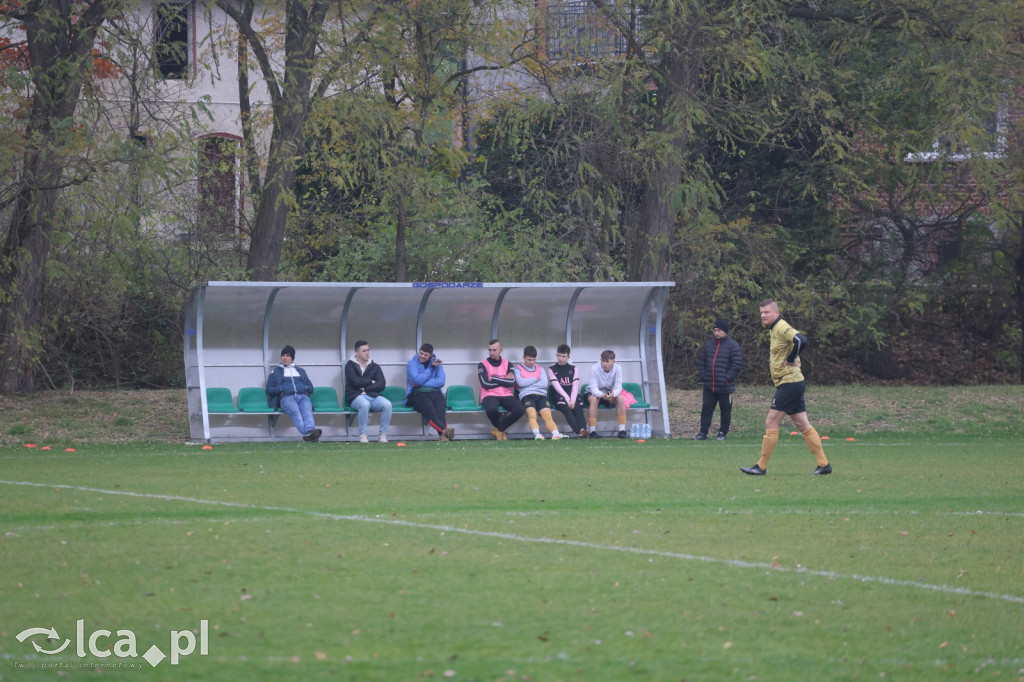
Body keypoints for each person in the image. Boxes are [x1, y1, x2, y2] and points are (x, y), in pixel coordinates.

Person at [740, 299, 832, 476]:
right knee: (802, 424)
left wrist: (791, 358)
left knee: (771, 422)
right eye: (761, 313)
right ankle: (824, 464)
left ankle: (761, 466)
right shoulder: (774, 329)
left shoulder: (781, 326)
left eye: (766, 312)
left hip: (789, 382)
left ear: (776, 312)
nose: (763, 316)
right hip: (793, 381)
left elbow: (801, 340)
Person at [694, 319, 743, 441]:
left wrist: (728, 378)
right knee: (706, 409)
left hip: (725, 386)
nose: (716, 333)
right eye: (715, 330)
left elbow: (736, 364)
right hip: (709, 386)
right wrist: (703, 376)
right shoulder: (709, 345)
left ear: (725, 331)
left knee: (725, 410)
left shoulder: (733, 345)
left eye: (719, 330)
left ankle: (722, 433)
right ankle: (703, 433)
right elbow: (702, 362)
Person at [265, 345, 322, 442]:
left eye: (287, 355)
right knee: (297, 414)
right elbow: (269, 389)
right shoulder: (275, 371)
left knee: (308, 413)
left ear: (292, 357)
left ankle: (309, 433)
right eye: (283, 355)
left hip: (303, 397)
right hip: (287, 398)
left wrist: (306, 388)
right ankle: (311, 435)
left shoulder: (301, 371)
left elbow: (311, 387)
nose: (285, 358)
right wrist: (281, 388)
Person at [344, 340, 392, 443]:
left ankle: (382, 435)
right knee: (364, 404)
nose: (367, 353)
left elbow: (381, 384)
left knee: (387, 405)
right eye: (364, 351)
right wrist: (371, 381)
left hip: (373, 396)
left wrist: (365, 388)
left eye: (368, 350)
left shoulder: (375, 366)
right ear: (357, 353)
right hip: (355, 396)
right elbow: (355, 382)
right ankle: (363, 435)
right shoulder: (349, 365)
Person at [405, 343, 454, 441]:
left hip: (435, 392)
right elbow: (416, 380)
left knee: (441, 412)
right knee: (431, 412)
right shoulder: (411, 364)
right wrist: (431, 368)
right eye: (421, 353)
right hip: (418, 394)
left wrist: (421, 383)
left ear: (430, 355)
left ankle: (443, 436)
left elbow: (441, 382)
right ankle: (445, 431)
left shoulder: (437, 363)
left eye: (425, 355)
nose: (422, 356)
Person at [478, 339, 526, 440]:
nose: (491, 352)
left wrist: (493, 379)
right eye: (489, 350)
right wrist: (504, 379)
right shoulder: (482, 364)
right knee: (491, 410)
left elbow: (512, 383)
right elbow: (485, 384)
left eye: (494, 350)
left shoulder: (508, 364)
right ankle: (501, 430)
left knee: (520, 409)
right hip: (489, 394)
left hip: (505, 394)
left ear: (501, 350)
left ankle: (499, 429)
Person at [514, 345, 563, 440]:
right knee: (532, 415)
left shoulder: (540, 369)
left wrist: (527, 383)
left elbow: (544, 384)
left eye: (533, 359)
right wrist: (536, 379)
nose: (532, 362)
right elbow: (520, 383)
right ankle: (537, 434)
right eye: (529, 359)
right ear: (524, 357)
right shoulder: (518, 369)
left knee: (547, 416)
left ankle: (555, 434)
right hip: (526, 395)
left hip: (541, 395)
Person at [547, 343, 588, 438]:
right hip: (558, 395)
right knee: (567, 409)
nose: (561, 358)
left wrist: (572, 400)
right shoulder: (551, 369)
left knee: (578, 408)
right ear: (556, 355)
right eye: (559, 356)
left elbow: (575, 386)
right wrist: (567, 399)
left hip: (572, 394)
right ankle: (579, 432)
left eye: (563, 356)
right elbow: (557, 386)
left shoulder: (574, 369)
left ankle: (583, 429)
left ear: (568, 357)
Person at [587, 349, 628, 438]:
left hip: (610, 394)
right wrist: (602, 395)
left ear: (613, 362)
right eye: (603, 361)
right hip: (594, 393)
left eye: (607, 361)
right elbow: (593, 389)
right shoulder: (594, 368)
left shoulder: (618, 368)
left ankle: (622, 431)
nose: (604, 364)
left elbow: (618, 387)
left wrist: (613, 394)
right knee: (594, 399)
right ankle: (592, 432)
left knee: (620, 398)